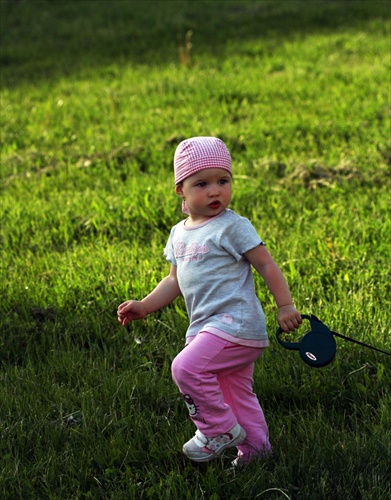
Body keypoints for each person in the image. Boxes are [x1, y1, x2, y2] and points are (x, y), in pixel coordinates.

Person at [117, 137, 302, 465]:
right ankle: (256, 453)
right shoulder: (179, 233)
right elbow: (174, 280)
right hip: (207, 327)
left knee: (185, 367)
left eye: (223, 181)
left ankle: (216, 427)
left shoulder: (233, 226)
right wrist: (145, 305)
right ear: (181, 189)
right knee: (236, 395)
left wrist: (285, 305)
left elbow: (266, 264)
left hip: (236, 323)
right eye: (202, 183)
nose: (215, 191)